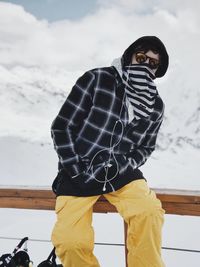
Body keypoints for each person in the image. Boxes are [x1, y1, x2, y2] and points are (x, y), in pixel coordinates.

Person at [50, 35, 169, 267]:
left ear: (157, 70)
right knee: (70, 242)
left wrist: (125, 165)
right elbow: (62, 127)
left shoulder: (155, 105)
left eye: (152, 63)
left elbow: (146, 147)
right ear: (129, 56)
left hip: (121, 173)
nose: (145, 65)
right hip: (79, 171)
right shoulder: (97, 79)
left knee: (149, 212)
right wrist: (75, 168)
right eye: (141, 57)